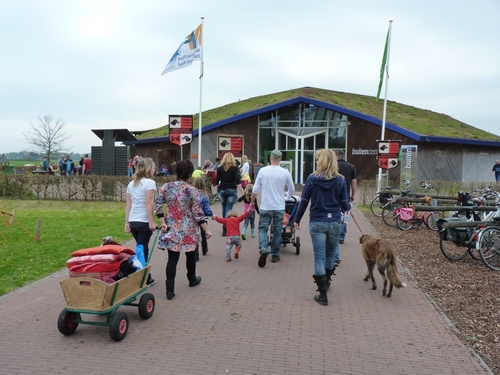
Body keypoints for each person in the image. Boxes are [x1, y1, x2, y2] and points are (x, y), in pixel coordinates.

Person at [293, 149, 351, 306]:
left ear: (322, 161)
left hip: (317, 221)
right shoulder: (341, 180)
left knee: (319, 256)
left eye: (318, 159)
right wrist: (344, 206)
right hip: (335, 222)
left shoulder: (312, 179)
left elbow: (304, 200)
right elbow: (346, 204)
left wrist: (297, 218)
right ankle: (327, 281)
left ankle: (323, 294)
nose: (316, 161)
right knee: (330, 254)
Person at [154, 159, 212, 300]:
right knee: (190, 254)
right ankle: (192, 279)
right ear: (190, 174)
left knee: (172, 258)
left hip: (172, 227)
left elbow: (158, 206)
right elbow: (197, 213)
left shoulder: (166, 187)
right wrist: (206, 229)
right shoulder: (191, 190)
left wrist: (163, 222)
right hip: (189, 229)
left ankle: (170, 290)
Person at [250, 149, 295, 267]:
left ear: (270, 158)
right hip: (279, 206)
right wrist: (288, 195)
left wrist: (251, 202)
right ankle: (275, 254)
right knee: (277, 231)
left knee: (263, 229)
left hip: (266, 206)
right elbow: (292, 188)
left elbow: (255, 189)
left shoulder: (263, 171)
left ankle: (264, 248)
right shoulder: (285, 172)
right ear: (280, 159)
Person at [125, 157, 157, 286]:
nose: (155, 170)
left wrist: (127, 222)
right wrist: (151, 221)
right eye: (153, 168)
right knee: (142, 250)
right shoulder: (150, 183)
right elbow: (148, 202)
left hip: (133, 220)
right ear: (149, 169)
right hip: (143, 221)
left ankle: (142, 275)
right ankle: (142, 277)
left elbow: (128, 205)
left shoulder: (131, 184)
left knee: (140, 248)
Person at [216, 152, 244, 236]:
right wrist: (242, 192)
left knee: (224, 208)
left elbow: (217, 182)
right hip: (232, 190)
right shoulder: (235, 168)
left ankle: (224, 226)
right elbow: (238, 182)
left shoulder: (219, 168)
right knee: (228, 209)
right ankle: (226, 228)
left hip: (222, 190)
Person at [335, 149, 357, 251]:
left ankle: (334, 233)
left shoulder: (332, 166)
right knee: (345, 215)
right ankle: (341, 236)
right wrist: (353, 194)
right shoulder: (351, 166)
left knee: (334, 213)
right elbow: (354, 182)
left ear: (338, 156)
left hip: (333, 195)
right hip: (345, 195)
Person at [192, 177, 213, 260]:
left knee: (195, 235)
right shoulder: (204, 196)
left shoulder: (192, 194)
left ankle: (195, 254)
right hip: (203, 218)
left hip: (193, 218)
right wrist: (211, 214)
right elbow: (207, 209)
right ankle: (204, 249)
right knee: (203, 234)